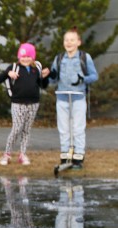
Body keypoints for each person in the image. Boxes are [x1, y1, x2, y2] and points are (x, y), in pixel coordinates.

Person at [48, 27, 98, 169]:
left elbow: (94, 76)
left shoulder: (84, 57)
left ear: (78, 42)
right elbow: (53, 79)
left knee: (78, 128)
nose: (69, 42)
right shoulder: (59, 58)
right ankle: (65, 154)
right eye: (66, 40)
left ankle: (78, 156)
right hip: (62, 97)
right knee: (63, 128)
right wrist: (48, 75)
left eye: (72, 40)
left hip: (78, 97)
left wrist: (83, 79)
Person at [0, 43, 50, 166]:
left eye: (28, 56)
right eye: (23, 56)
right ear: (19, 57)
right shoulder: (14, 67)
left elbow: (43, 85)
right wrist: (8, 74)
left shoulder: (37, 68)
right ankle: (7, 153)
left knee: (26, 130)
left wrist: (45, 77)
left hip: (33, 103)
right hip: (18, 103)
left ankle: (22, 154)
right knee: (16, 128)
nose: (25, 59)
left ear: (33, 57)